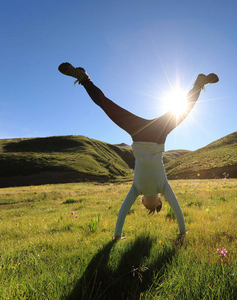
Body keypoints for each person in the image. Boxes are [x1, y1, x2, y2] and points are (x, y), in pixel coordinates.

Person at [58, 62, 218, 240]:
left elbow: (177, 210)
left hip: (157, 134)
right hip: (140, 133)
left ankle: (198, 84)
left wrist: (182, 232)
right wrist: (117, 235)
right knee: (107, 106)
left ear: (159, 200)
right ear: (143, 201)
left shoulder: (161, 188)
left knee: (183, 109)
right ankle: (85, 79)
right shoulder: (138, 188)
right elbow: (123, 212)